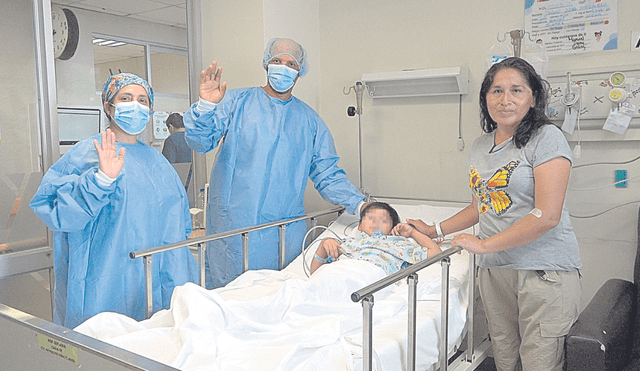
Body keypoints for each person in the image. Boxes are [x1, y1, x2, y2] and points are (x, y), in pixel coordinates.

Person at [408, 58, 582, 371]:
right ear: (485, 98)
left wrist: (485, 245)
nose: (505, 99)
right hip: (496, 272)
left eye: (517, 90)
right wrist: (434, 230)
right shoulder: (479, 147)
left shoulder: (547, 139)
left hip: (541, 271)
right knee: (503, 358)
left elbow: (547, 215)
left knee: (540, 362)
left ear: (532, 97)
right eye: (496, 91)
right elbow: (481, 205)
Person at [184, 37, 366, 288]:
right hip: (235, 228)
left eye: (290, 63)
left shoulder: (310, 122)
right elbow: (200, 142)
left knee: (279, 297)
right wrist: (206, 106)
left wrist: (361, 205)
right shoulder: (236, 103)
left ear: (299, 72)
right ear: (266, 65)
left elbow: (328, 174)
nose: (283, 67)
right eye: (277, 61)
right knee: (231, 297)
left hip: (284, 233)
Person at [30, 73, 198, 329]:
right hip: (104, 284)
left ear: (151, 109)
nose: (136, 105)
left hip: (158, 281)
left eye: (142, 100)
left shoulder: (157, 162)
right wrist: (100, 181)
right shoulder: (87, 154)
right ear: (109, 106)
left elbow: (178, 227)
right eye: (126, 98)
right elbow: (54, 210)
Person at [310, 202, 441, 275]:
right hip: (341, 271)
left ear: (392, 229)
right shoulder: (350, 243)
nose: (376, 222)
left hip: (370, 276)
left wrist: (412, 232)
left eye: (383, 220)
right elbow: (314, 273)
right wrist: (323, 246)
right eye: (371, 218)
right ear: (360, 225)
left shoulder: (398, 244)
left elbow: (436, 253)